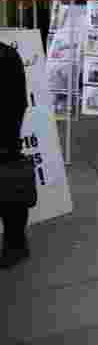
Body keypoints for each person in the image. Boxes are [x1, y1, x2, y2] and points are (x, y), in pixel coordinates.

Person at [1, 40, 31, 268]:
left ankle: (16, 245)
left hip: (5, 137)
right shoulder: (9, 54)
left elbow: (17, 101)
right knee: (12, 195)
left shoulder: (6, 56)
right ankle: (16, 244)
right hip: (8, 137)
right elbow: (20, 101)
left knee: (10, 195)